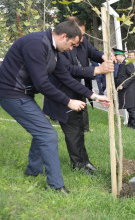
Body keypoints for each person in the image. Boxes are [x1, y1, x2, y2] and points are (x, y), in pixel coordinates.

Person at [0, 21, 109, 193]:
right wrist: (68, 101)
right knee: (47, 134)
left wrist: (94, 96)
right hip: (11, 93)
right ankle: (56, 186)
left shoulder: (54, 49)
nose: (72, 49)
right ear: (64, 36)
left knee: (41, 130)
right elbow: (42, 83)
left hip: (23, 93)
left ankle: (33, 172)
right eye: (72, 44)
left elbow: (65, 78)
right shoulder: (36, 44)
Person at [43, 17, 114, 175]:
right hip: (63, 95)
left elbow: (93, 52)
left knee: (80, 130)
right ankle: (79, 166)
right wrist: (97, 70)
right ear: (68, 34)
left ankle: (85, 162)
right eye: (78, 37)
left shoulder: (81, 39)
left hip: (78, 91)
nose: (81, 40)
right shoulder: (60, 49)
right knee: (73, 132)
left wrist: (103, 56)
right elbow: (68, 71)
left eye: (82, 36)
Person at [115, 49, 135, 130]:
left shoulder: (127, 63)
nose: (115, 58)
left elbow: (132, 76)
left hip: (129, 89)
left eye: (116, 56)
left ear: (120, 56)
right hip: (125, 89)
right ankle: (130, 124)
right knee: (129, 107)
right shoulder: (121, 64)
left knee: (131, 108)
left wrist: (123, 85)